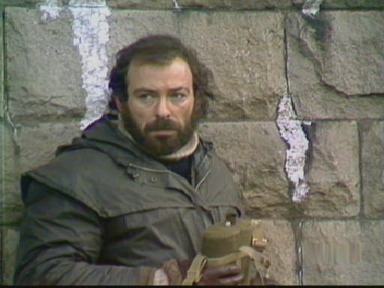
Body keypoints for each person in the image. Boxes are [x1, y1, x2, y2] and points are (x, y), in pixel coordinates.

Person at [13, 34, 270, 285]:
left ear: (196, 100)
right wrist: (164, 279)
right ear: (121, 102)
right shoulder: (75, 177)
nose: (163, 111)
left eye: (177, 95)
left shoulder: (214, 171)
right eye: (146, 96)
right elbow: (43, 273)